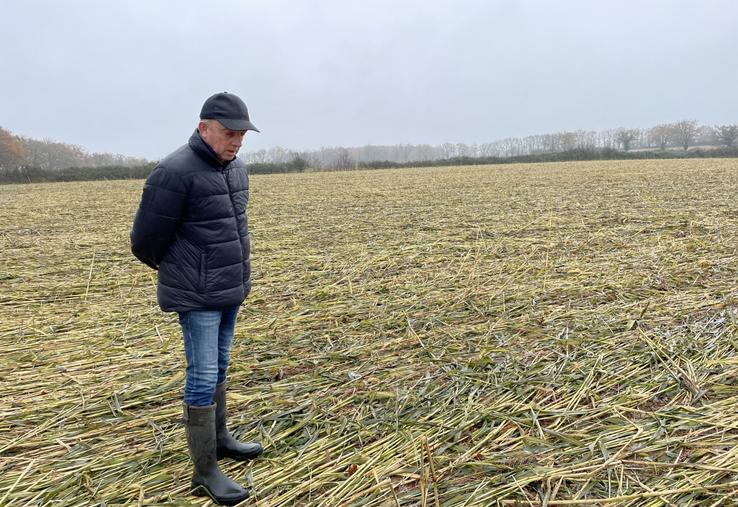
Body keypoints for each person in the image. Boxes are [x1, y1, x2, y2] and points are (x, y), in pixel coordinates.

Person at [130, 92, 262, 505]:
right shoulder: (173, 172)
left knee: (220, 366)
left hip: (230, 288)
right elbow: (144, 242)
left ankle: (220, 439)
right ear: (204, 127)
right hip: (197, 295)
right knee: (202, 375)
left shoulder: (236, 169)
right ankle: (204, 471)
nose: (237, 141)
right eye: (229, 132)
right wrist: (186, 274)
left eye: (242, 133)